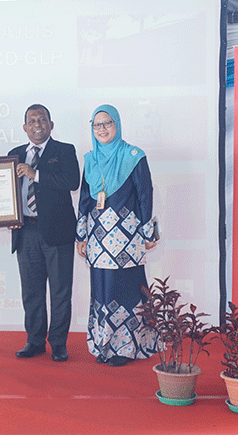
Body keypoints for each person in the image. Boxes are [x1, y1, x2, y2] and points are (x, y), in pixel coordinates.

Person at [76, 104, 158, 367]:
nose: (102, 129)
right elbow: (85, 199)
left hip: (127, 238)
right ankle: (104, 344)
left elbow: (145, 195)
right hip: (98, 238)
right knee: (103, 289)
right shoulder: (91, 159)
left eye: (107, 123)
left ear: (117, 125)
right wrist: (81, 236)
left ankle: (126, 347)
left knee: (126, 290)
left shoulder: (133, 156)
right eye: (96, 125)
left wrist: (148, 232)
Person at [9, 104, 80, 362]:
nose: (37, 124)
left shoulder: (65, 150)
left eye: (42, 119)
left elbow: (72, 182)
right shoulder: (14, 155)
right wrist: (1, 215)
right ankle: (35, 341)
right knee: (31, 291)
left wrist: (35, 174)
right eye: (32, 120)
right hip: (25, 231)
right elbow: (6, 192)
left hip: (57, 231)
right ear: (24, 127)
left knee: (60, 291)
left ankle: (58, 343)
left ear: (51, 124)